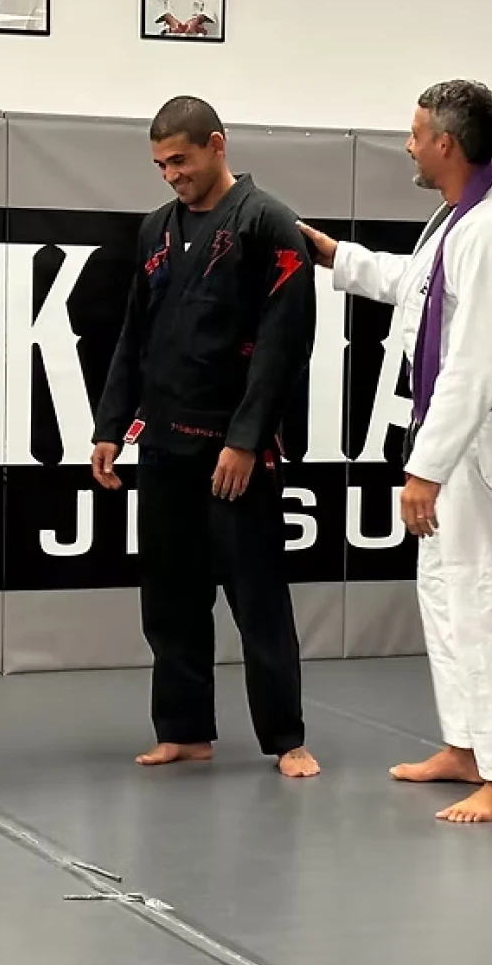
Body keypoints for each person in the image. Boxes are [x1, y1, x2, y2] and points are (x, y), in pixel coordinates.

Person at [298, 79, 492, 823]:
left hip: (486, 438)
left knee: (491, 601)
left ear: (447, 143)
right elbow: (415, 287)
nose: (407, 143)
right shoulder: (459, 219)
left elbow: (474, 363)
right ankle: (468, 748)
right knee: (446, 593)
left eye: (414, 133)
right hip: (461, 437)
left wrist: (424, 472)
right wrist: (334, 257)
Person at [91, 96, 320, 778]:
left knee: (256, 596)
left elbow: (285, 342)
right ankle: (186, 729)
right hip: (163, 443)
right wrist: (111, 425)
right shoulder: (156, 230)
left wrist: (247, 440)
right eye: (161, 164)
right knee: (169, 594)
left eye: (180, 160)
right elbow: (135, 334)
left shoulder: (268, 223)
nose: (170, 176)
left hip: (233, 452)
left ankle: (287, 738)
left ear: (217, 145)